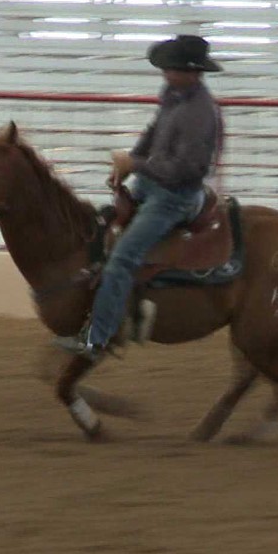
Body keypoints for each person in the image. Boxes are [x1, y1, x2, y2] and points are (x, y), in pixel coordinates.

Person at [58, 34, 223, 362]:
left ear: (192, 72)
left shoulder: (201, 113)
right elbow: (153, 133)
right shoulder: (174, 94)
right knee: (104, 222)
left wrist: (134, 164)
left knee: (122, 258)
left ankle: (98, 341)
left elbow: (184, 169)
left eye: (171, 68)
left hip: (176, 197)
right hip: (153, 183)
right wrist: (129, 166)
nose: (164, 73)